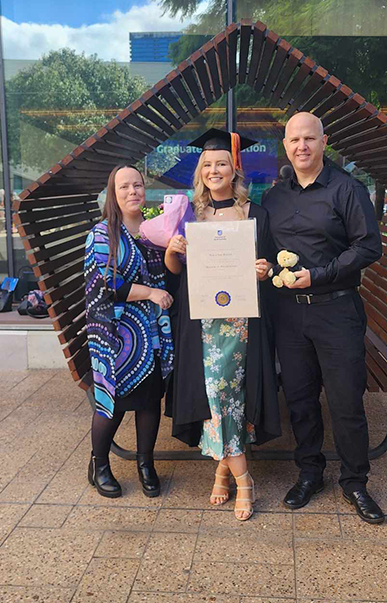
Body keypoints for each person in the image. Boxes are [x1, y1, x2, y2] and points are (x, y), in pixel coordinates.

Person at [263, 112, 385, 524]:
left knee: (346, 401)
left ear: (323, 141)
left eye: (309, 139)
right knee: (299, 400)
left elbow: (368, 247)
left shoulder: (347, 190)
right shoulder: (275, 198)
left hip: (336, 309)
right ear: (286, 145)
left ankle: (355, 482)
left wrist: (318, 274)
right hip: (289, 315)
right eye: (294, 140)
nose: (302, 146)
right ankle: (310, 473)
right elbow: (260, 249)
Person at [165, 128, 281, 521]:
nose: (215, 170)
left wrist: (263, 270)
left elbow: (264, 269)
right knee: (215, 397)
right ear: (200, 172)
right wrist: (172, 251)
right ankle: (239, 476)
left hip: (241, 323)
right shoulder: (189, 214)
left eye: (221, 164)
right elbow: (175, 273)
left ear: (234, 170)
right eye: (208, 165)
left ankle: (226, 472)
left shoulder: (256, 214)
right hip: (202, 323)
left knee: (230, 396)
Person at [84, 164, 175, 499]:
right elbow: (106, 285)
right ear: (113, 194)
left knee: (150, 400)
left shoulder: (154, 230)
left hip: (150, 333)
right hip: (115, 337)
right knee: (114, 403)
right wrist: (150, 293)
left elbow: (168, 274)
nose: (132, 192)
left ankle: (145, 464)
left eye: (137, 185)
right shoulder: (102, 234)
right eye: (124, 187)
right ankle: (100, 464)